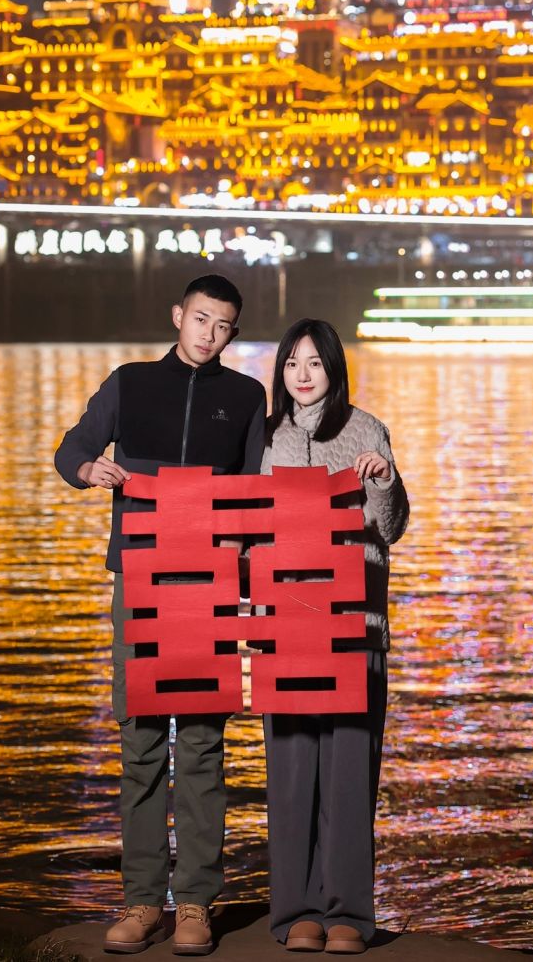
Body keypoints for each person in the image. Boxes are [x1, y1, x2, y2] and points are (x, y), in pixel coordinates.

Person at [54, 274, 266, 958]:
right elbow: (69, 449)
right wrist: (92, 470)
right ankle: (143, 900)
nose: (209, 333)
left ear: (232, 333)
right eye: (200, 318)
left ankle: (197, 902)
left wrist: (242, 545)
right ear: (179, 315)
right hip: (140, 579)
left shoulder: (245, 397)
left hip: (208, 583)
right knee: (141, 739)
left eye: (223, 325)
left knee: (203, 741)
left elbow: (256, 488)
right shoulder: (129, 381)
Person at [260, 319, 409, 956]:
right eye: (293, 362)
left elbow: (390, 529)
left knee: (350, 773)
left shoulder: (366, 430)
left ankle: (349, 911)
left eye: (315, 364)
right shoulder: (268, 438)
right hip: (289, 628)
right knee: (292, 777)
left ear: (334, 370)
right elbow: (254, 528)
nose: (302, 374)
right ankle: (297, 911)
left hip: (356, 628)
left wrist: (382, 480)